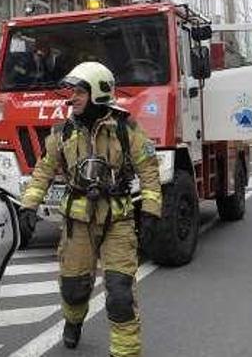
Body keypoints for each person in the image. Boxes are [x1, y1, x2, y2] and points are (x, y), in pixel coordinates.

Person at [19, 62, 162, 357]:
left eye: (80, 91)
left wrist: (150, 212)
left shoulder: (126, 129)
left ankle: (125, 353)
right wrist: (28, 207)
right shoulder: (63, 132)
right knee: (74, 288)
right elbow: (43, 171)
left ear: (99, 92)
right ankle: (73, 321)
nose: (73, 98)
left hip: (118, 221)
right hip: (76, 223)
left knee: (120, 292)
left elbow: (149, 171)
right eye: (73, 92)